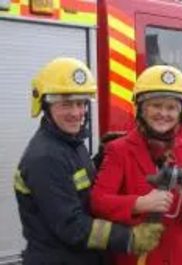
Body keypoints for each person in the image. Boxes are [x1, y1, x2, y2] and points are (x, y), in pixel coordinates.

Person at [14, 57, 163, 265]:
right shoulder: (45, 158)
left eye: (80, 103)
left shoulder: (69, 142)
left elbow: (78, 186)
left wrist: (102, 157)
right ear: (46, 106)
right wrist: (129, 237)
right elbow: (72, 226)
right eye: (66, 105)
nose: (76, 113)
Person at [90, 65, 182, 265]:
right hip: (137, 258)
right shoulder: (119, 150)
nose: (163, 113)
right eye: (156, 105)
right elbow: (98, 202)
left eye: (171, 107)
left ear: (180, 113)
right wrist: (140, 203)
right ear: (141, 109)